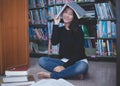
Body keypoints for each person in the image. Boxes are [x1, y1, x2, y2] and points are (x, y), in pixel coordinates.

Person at [38, 4, 88, 79]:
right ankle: (72, 74)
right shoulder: (60, 29)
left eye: (70, 14)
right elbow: (54, 42)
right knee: (42, 60)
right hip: (63, 61)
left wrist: (63, 67)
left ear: (74, 17)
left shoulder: (78, 31)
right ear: (62, 13)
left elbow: (78, 53)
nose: (67, 15)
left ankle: (52, 75)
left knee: (82, 67)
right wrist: (55, 24)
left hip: (77, 61)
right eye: (65, 12)